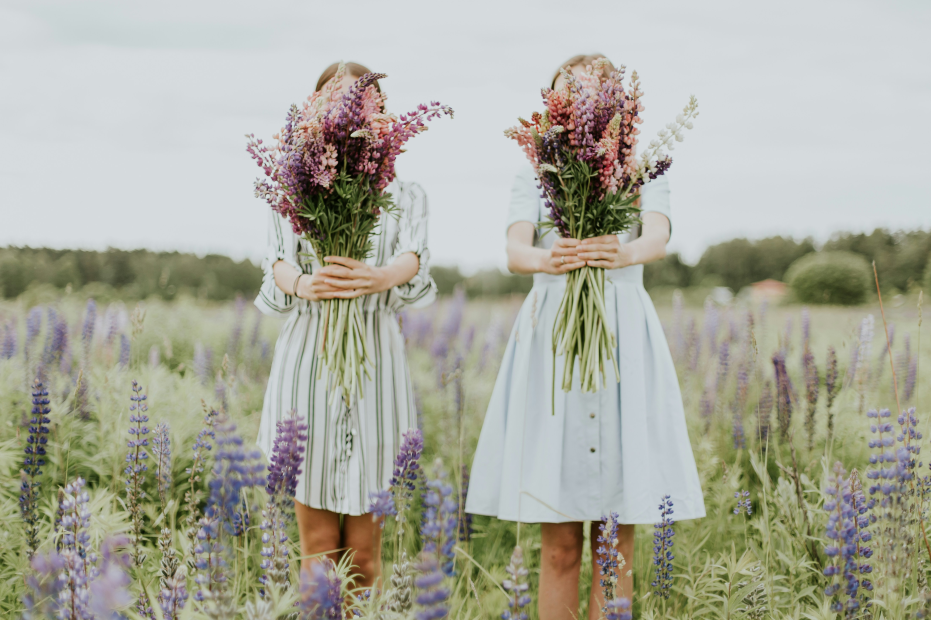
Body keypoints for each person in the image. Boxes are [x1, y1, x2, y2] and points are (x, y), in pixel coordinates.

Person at [465, 54, 706, 620]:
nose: (581, 101)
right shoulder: (534, 170)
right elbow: (515, 251)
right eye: (569, 92)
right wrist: (551, 259)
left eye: (593, 91)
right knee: (561, 543)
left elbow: (658, 236)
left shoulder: (643, 164)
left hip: (623, 330)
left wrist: (618, 252)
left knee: (616, 541)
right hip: (554, 334)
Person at [253, 61, 436, 589]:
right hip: (308, 359)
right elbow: (276, 261)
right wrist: (303, 285)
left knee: (365, 554)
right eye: (336, 102)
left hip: (376, 360)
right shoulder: (293, 189)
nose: (353, 112)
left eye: (366, 103)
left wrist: (379, 277)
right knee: (316, 551)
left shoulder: (407, 193)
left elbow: (415, 259)